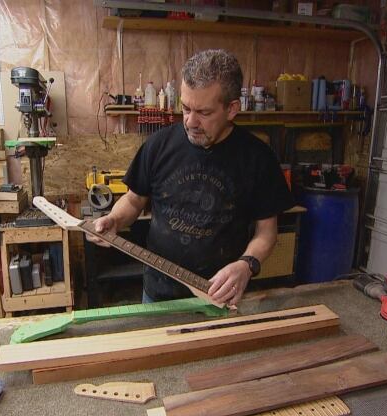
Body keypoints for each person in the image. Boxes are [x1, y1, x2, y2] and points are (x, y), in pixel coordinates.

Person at [88, 49, 293, 305]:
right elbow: (133, 201)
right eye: (185, 108)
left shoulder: (258, 159)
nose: (190, 122)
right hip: (158, 292)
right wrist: (115, 220)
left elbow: (267, 232)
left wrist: (246, 265)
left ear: (231, 109)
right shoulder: (159, 145)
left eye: (204, 113)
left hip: (219, 295)